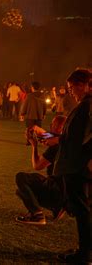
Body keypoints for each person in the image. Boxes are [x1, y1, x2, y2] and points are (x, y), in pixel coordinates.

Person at [54, 69, 92, 263]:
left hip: (78, 166)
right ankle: (85, 250)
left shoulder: (87, 106)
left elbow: (81, 139)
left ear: (84, 85)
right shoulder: (85, 105)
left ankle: (85, 254)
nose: (71, 92)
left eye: (72, 88)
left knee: (83, 210)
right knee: (82, 209)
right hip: (78, 164)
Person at [15, 115, 67, 225]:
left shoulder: (55, 148)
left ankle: (37, 215)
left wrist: (34, 145)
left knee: (21, 178)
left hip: (55, 189)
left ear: (56, 126)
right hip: (67, 192)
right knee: (22, 191)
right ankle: (57, 208)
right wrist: (38, 131)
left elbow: (37, 166)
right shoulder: (69, 142)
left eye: (53, 124)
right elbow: (52, 136)